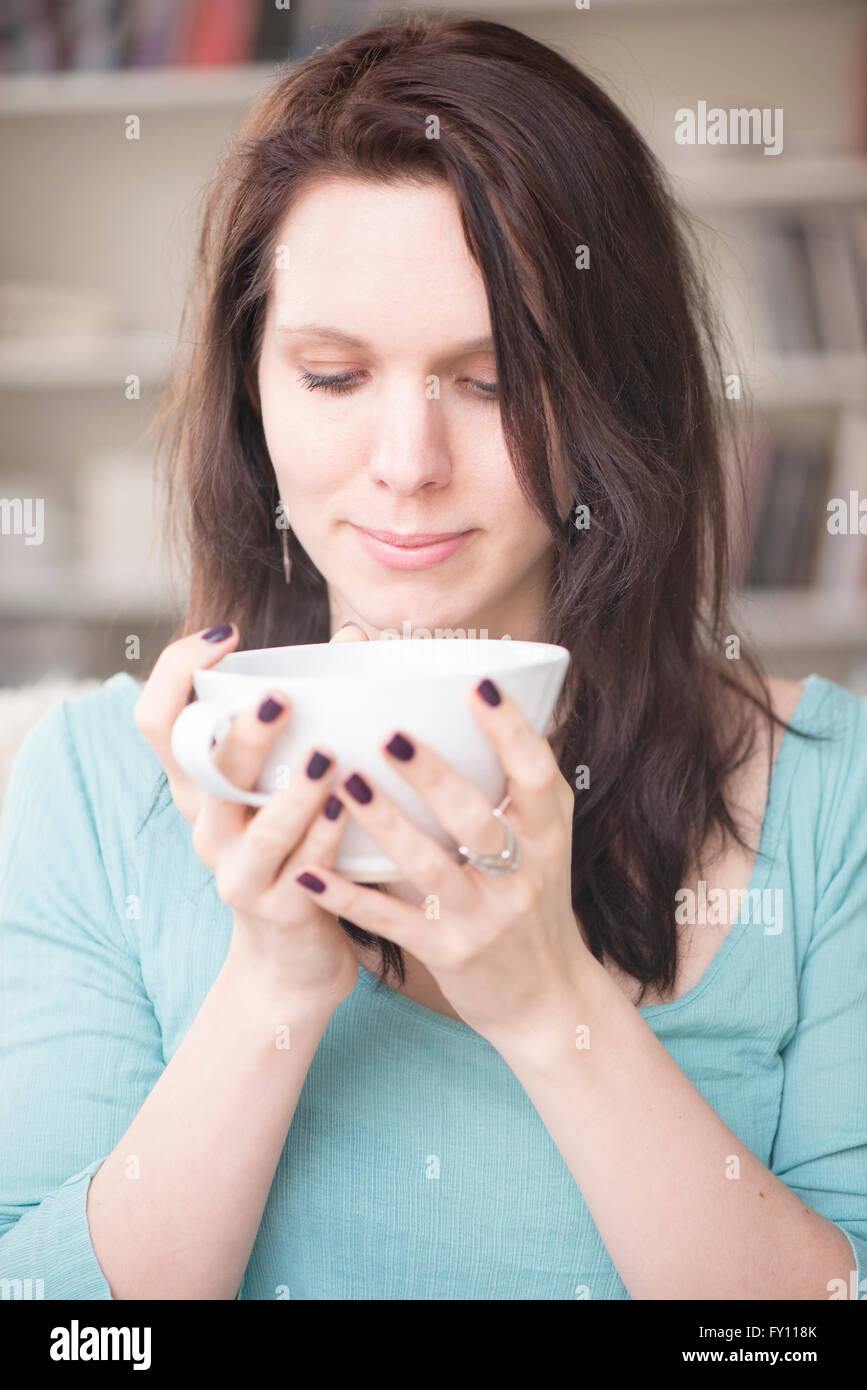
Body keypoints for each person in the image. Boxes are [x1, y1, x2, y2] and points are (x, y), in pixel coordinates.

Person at [1, 15, 865, 1302]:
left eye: (492, 378)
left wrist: (547, 1003)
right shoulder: (84, 779)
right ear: (254, 396)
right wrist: (274, 988)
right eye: (335, 375)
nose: (407, 465)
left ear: (613, 395)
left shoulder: (825, 791)